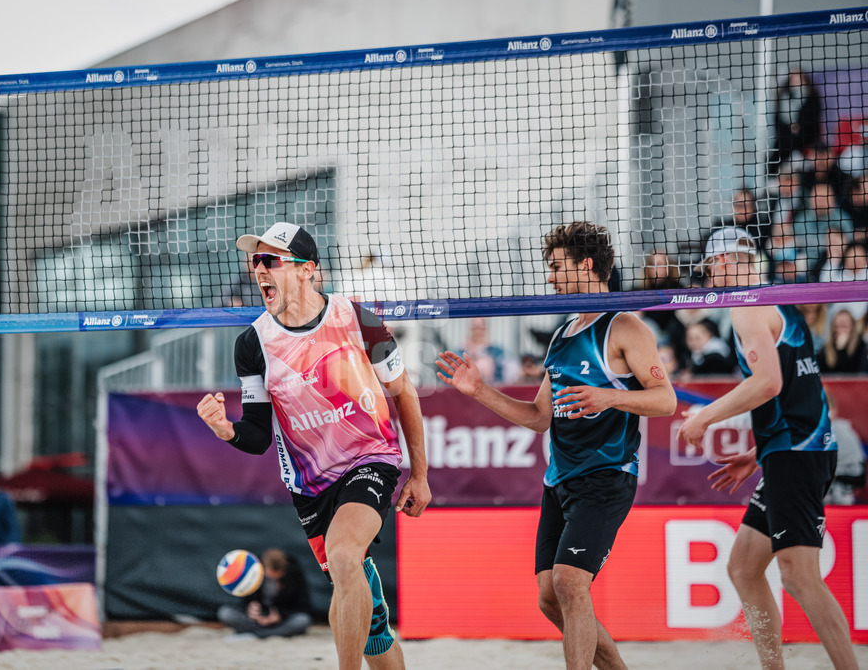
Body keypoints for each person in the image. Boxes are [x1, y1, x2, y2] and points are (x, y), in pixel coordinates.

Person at [436, 221, 676, 670]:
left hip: (607, 475)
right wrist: (479, 391)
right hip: (559, 480)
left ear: (586, 265)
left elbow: (666, 400)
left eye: (556, 266)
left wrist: (607, 396)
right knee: (550, 598)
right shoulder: (563, 332)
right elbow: (538, 417)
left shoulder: (623, 326)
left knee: (570, 583)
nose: (549, 277)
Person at [197, 222, 430, 670]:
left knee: (345, 557)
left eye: (271, 260)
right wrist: (226, 430)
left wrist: (418, 473)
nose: (258, 270)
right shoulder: (253, 343)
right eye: (254, 261)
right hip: (310, 485)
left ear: (307, 270)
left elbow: (404, 392)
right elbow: (258, 435)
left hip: (371, 460)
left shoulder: (357, 319)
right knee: (371, 624)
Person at [677, 227, 858, 670]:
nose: (708, 280)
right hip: (790, 449)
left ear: (720, 264)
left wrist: (703, 417)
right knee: (743, 567)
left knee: (799, 577)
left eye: (709, 269)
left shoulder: (745, 308)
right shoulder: (779, 300)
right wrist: (758, 453)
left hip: (799, 452)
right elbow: (798, 393)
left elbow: (769, 384)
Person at [217, 548, 313, 639]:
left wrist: (280, 616)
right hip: (255, 622)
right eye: (270, 576)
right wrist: (251, 610)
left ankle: (256, 635)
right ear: (262, 566)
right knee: (225, 613)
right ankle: (268, 634)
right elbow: (244, 601)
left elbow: (304, 606)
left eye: (278, 578)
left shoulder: (294, 573)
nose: (274, 580)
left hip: (280, 622)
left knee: (303, 620)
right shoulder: (252, 572)